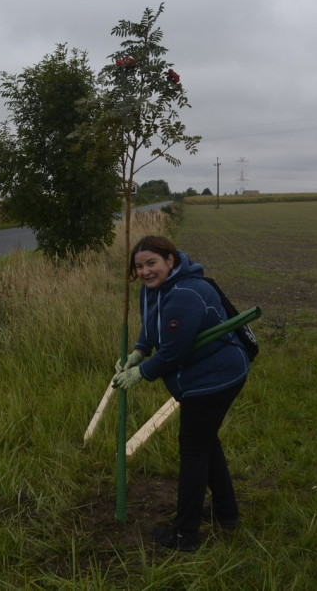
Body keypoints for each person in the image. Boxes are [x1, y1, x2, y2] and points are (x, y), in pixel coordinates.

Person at [110, 235, 251, 552]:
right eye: (139, 266)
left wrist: (140, 372)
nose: (145, 272)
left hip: (215, 378)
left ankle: (185, 534)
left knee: (193, 451)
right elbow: (151, 324)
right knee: (205, 441)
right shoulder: (156, 290)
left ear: (170, 260)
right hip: (204, 374)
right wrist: (139, 351)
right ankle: (226, 514)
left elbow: (172, 353)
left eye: (152, 263)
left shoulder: (185, 293)